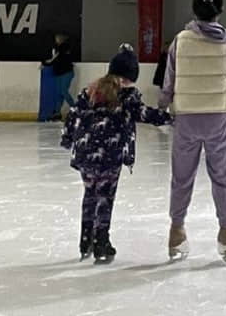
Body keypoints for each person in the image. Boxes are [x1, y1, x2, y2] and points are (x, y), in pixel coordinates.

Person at [158, 0, 226, 262]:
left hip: (186, 117)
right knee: (222, 177)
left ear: (194, 11)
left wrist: (162, 109)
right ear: (219, 12)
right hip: (218, 117)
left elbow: (169, 81)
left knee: (181, 178)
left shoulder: (180, 41)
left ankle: (176, 231)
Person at [61, 45, 172, 263]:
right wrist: (169, 118)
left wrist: (68, 139)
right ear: (130, 76)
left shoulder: (90, 90)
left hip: (85, 155)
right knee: (105, 198)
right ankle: (102, 242)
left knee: (90, 195)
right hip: (110, 157)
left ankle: (85, 241)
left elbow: (73, 115)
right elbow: (144, 113)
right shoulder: (128, 95)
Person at [39, 31, 77, 122]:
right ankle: (57, 113)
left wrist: (46, 63)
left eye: (57, 38)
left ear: (60, 39)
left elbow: (54, 59)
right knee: (60, 93)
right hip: (60, 73)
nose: (55, 40)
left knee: (63, 91)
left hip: (66, 73)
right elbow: (55, 59)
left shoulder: (63, 47)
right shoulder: (60, 48)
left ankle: (75, 109)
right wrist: (47, 63)